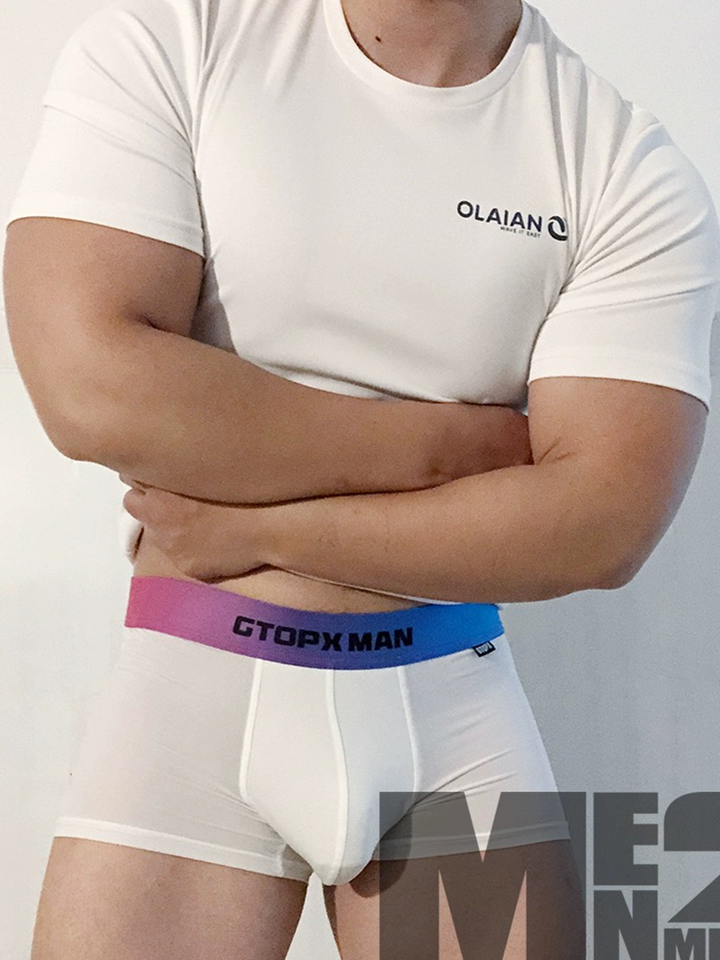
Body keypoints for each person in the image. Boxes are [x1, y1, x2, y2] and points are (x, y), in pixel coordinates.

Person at [4, 0, 719, 954]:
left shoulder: (624, 165)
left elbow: (601, 526)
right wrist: (441, 449)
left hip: (450, 716)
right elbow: (92, 391)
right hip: (192, 704)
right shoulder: (180, 38)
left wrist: (262, 530)